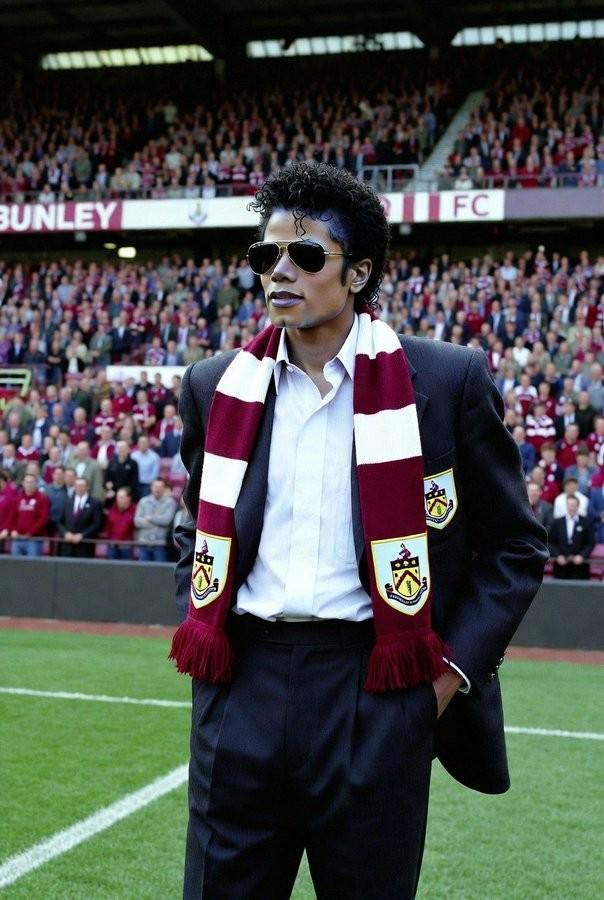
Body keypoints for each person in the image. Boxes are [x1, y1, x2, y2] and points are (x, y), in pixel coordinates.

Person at [171, 162, 548, 899]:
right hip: (242, 688)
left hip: (375, 686)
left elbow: (515, 547)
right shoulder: (214, 385)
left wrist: (440, 683)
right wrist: (205, 635)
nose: (280, 271)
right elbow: (196, 528)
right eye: (266, 255)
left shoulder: (447, 380)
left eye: (306, 255)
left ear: (359, 273)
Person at [548, 495, 595, 579]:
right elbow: (551, 542)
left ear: (578, 506)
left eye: (574, 505)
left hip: (580, 566)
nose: (572, 508)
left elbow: (591, 543)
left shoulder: (587, 522)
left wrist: (582, 556)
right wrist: (558, 555)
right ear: (566, 506)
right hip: (561, 566)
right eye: (570, 505)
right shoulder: (557, 522)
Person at [58, 475, 104, 558]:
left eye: (82, 486)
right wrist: (65, 533)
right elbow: (59, 521)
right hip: (67, 544)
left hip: (85, 545)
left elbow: (97, 523)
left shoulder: (95, 503)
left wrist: (82, 535)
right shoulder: (67, 501)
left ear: (87, 487)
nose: (79, 488)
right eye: (77, 486)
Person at [134, 477, 176, 561]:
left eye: (160, 487)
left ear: (164, 488)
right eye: (155, 486)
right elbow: (137, 521)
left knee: (160, 569)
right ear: (151, 487)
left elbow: (167, 521)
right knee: (142, 568)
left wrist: (150, 518)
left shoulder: (170, 502)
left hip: (160, 544)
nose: (157, 489)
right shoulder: (143, 501)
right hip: (144, 543)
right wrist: (158, 522)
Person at [9, 472, 50, 557]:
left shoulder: (42, 498)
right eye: (27, 482)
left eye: (32, 482)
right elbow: (12, 516)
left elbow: (43, 519)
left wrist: (30, 533)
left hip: (34, 539)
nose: (29, 484)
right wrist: (13, 530)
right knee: (15, 564)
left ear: (36, 484)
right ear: (23, 483)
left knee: (32, 565)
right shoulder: (17, 498)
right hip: (17, 539)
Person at [104, 487, 136, 560]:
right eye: (118, 497)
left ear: (128, 498)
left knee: (125, 566)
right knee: (110, 565)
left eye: (121, 497)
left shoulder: (134, 509)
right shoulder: (113, 508)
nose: (119, 499)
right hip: (112, 544)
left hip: (126, 545)